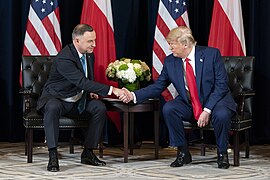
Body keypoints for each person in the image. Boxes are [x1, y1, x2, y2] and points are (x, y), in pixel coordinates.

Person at [121, 26, 236, 169]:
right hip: (189, 102)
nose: (170, 48)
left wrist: (207, 110)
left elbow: (221, 86)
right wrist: (133, 95)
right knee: (170, 108)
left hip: (216, 101)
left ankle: (222, 153)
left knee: (222, 114)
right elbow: (158, 86)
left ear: (185, 44)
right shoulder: (170, 61)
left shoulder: (211, 54)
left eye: (172, 44)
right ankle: (183, 152)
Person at [37, 24, 128, 172]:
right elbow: (81, 81)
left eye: (94, 40)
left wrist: (89, 92)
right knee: (52, 107)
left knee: (99, 107)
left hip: (77, 100)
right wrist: (113, 90)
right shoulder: (64, 58)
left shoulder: (89, 54)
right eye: (90, 41)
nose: (95, 44)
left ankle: (88, 152)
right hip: (57, 98)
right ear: (77, 41)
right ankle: (53, 155)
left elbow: (86, 79)